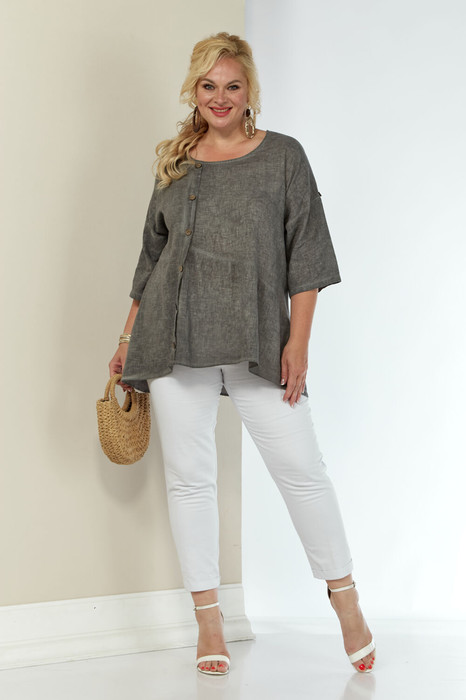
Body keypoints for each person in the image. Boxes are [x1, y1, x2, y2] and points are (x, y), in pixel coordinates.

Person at [109, 31, 375, 677]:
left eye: (232, 85)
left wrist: (298, 343)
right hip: (173, 341)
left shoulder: (284, 156)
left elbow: (307, 256)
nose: (220, 97)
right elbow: (151, 260)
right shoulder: (176, 163)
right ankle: (209, 619)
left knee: (302, 470)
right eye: (208, 86)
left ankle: (345, 598)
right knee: (189, 481)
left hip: (258, 340)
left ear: (250, 89)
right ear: (194, 91)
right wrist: (126, 340)